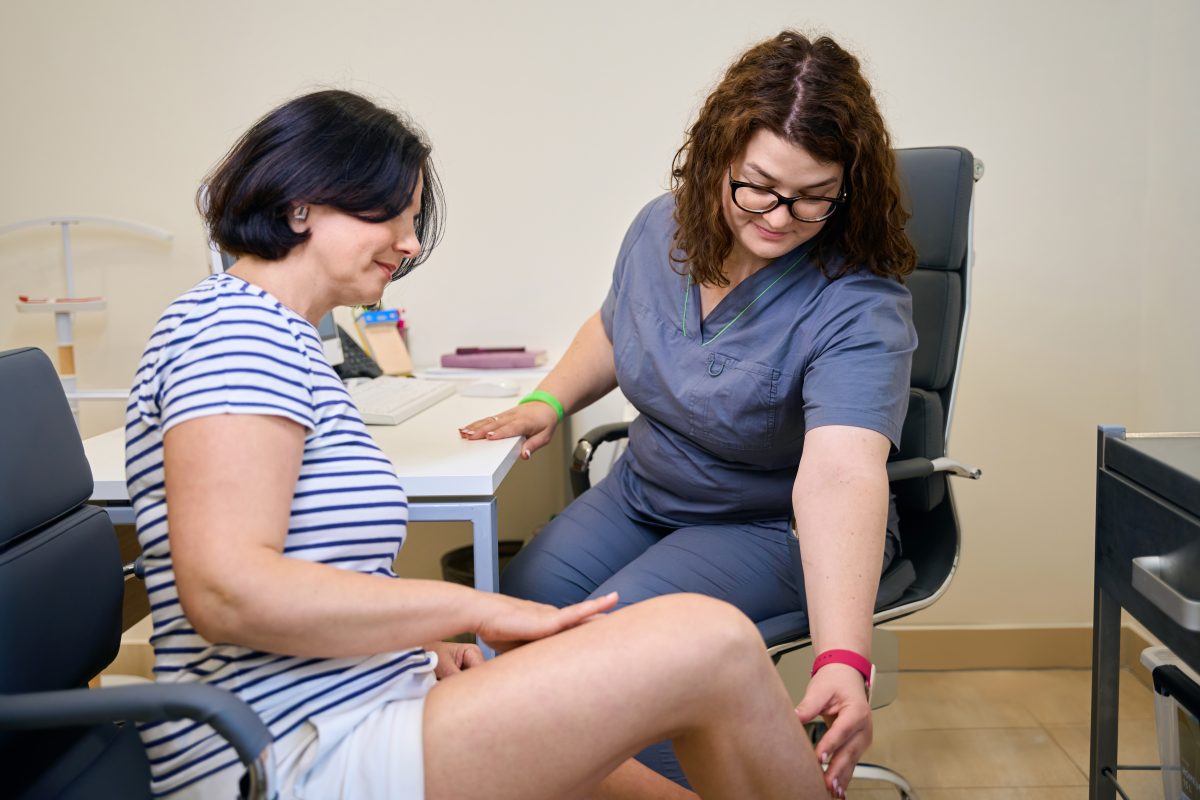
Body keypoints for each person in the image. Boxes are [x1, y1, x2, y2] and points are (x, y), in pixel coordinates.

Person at [125, 89, 827, 800]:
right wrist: (471, 609)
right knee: (712, 643)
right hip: (289, 753)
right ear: (303, 202)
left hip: (361, 706)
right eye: (394, 213)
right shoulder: (235, 333)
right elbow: (227, 593)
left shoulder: (285, 341)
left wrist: (420, 645)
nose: (409, 242)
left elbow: (305, 575)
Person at [461, 31, 917, 799]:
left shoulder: (858, 303)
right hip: (646, 493)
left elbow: (841, 472)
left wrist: (845, 658)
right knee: (519, 609)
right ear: (717, 156)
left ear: (850, 188)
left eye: (814, 196)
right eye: (760, 186)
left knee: (626, 657)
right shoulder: (663, 228)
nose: (780, 216)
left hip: (768, 527)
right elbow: (616, 325)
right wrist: (548, 400)